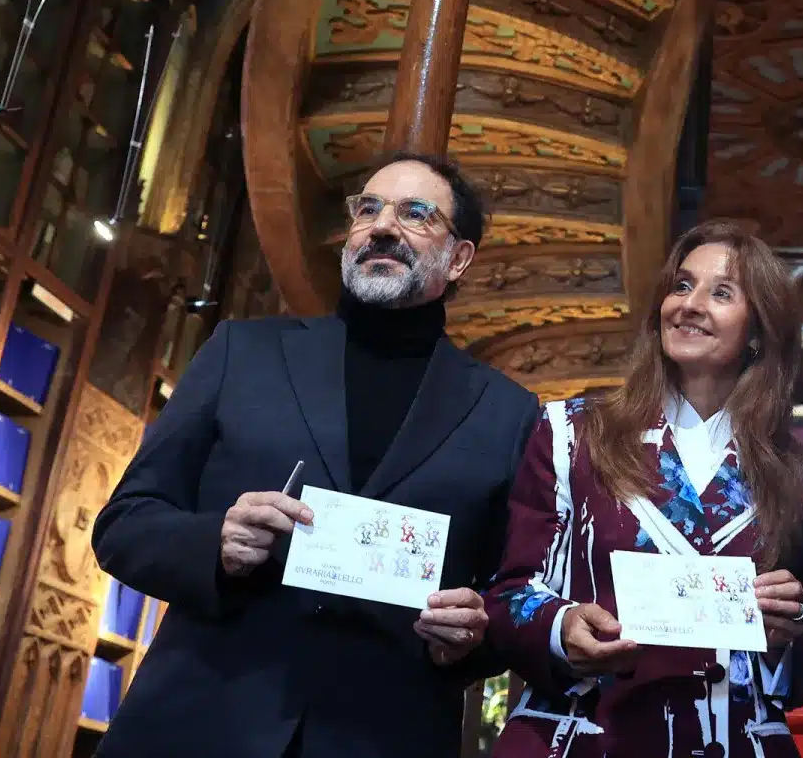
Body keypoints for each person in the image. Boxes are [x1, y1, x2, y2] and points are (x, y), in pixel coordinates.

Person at [92, 153, 540, 758]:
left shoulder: (508, 413)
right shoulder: (242, 353)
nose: (383, 226)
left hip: (382, 735)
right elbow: (125, 523)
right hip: (199, 723)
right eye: (369, 209)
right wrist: (215, 543)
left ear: (458, 258)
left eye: (415, 213)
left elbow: (510, 596)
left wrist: (468, 637)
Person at [486, 220, 803, 757]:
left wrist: (789, 631)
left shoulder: (796, 467)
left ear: (757, 333)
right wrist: (563, 627)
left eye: (721, 293)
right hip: (590, 735)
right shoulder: (574, 433)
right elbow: (510, 593)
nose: (690, 304)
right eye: (681, 286)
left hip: (733, 739)